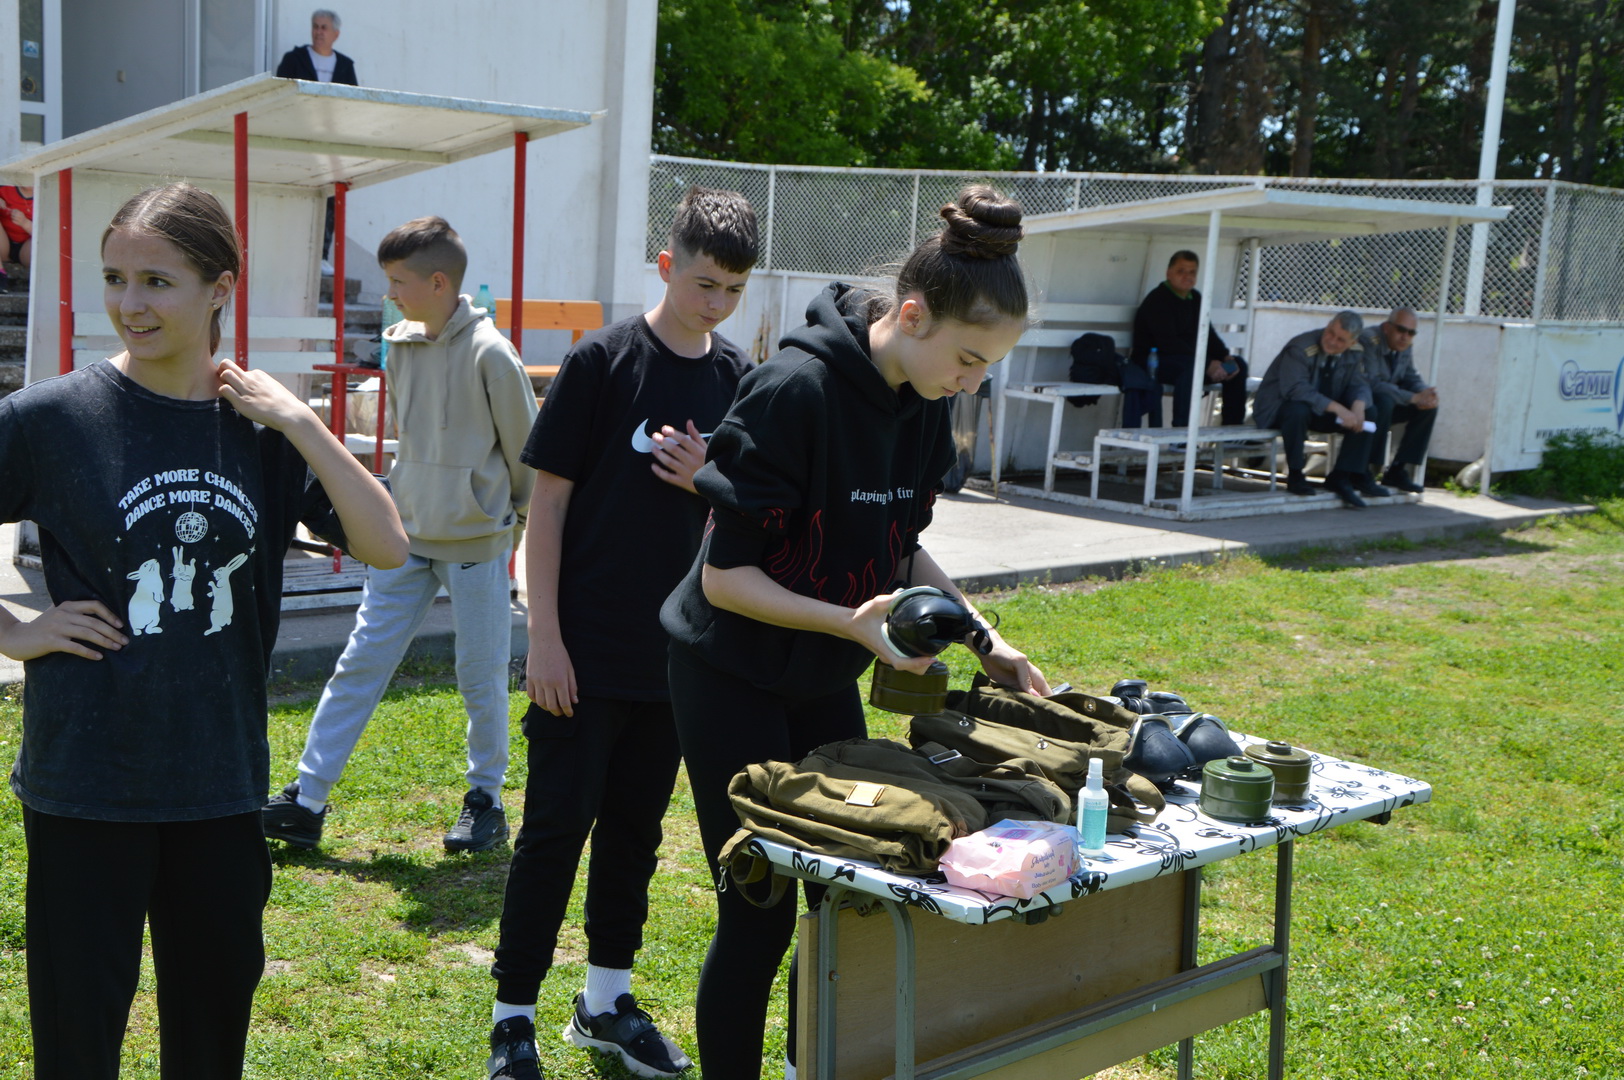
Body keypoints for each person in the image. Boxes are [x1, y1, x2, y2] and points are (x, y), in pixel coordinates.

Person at [0, 181, 406, 1080]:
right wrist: (16, 629)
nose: (129, 304)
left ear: (221, 287)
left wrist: (302, 423)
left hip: (218, 784)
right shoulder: (52, 418)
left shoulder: (262, 427)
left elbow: (386, 544)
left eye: (157, 281)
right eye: (115, 278)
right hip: (84, 784)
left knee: (210, 1042)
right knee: (76, 1044)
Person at [660, 185, 1051, 1080]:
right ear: (911, 316)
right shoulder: (791, 391)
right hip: (729, 671)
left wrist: (984, 638)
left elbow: (899, 545)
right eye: (968, 358)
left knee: (846, 894)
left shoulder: (924, 398)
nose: (973, 382)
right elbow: (724, 579)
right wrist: (852, 622)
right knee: (758, 903)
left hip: (826, 666)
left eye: (988, 366)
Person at [482, 187, 759, 1080]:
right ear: (666, 264)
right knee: (554, 830)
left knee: (635, 834)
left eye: (734, 290)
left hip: (676, 661)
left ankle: (605, 1002)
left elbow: (750, 521)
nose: (716, 303)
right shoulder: (601, 361)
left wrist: (709, 482)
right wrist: (544, 637)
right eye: (704, 282)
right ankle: (512, 1019)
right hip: (583, 653)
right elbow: (548, 508)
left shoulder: (740, 379)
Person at [261, 216, 537, 854]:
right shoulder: (402, 346)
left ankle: (486, 801)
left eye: (398, 281)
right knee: (360, 661)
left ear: (438, 283)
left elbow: (529, 455)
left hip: (476, 544)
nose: (389, 293)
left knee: (480, 675)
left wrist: (509, 525)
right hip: (403, 539)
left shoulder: (493, 354)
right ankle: (306, 800)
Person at [1252, 310, 1387, 508]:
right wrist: (1338, 408)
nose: (1332, 341)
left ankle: (1341, 476)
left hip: (1321, 410)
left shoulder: (1355, 351)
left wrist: (1358, 405)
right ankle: (1296, 474)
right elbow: (1295, 390)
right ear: (1329, 324)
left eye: (1340, 340)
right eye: (1331, 332)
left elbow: (1359, 383)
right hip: (1278, 408)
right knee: (1297, 410)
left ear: (1352, 342)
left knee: (1369, 412)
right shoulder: (1301, 347)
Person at [1125, 250, 1249, 428]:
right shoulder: (1157, 300)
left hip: (1190, 361)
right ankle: (1182, 433)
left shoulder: (1195, 298)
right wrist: (1206, 364)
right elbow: (1168, 343)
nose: (1187, 276)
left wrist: (1225, 356)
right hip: (1153, 363)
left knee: (1238, 365)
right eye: (1181, 271)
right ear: (1169, 273)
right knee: (1191, 368)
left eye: (1192, 272)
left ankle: (1233, 429)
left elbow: (1208, 333)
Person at [275, 9, 358, 273]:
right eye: (315, 26)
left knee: (330, 196)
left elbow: (352, 104)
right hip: (299, 138)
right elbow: (280, 95)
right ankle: (290, 251)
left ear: (336, 34)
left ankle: (321, 256)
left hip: (331, 142)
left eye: (324, 27)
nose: (319, 32)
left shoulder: (345, 66)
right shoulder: (294, 60)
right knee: (296, 189)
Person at [1356, 306, 1439, 494]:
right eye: (1401, 330)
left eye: (1411, 333)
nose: (1405, 337)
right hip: (1362, 405)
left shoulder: (1404, 345)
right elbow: (1372, 383)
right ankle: (1365, 470)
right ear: (1387, 327)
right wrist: (1412, 397)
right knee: (1384, 401)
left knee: (1427, 409)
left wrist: (1425, 393)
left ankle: (1398, 469)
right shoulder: (1369, 340)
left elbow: (1410, 375)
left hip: (1389, 403)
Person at [0, 183, 32, 294]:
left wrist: (26, 224)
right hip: (3, 245)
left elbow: (48, 234)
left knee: (46, 239)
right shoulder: (5, 184)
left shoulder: (46, 193)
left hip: (26, 250)